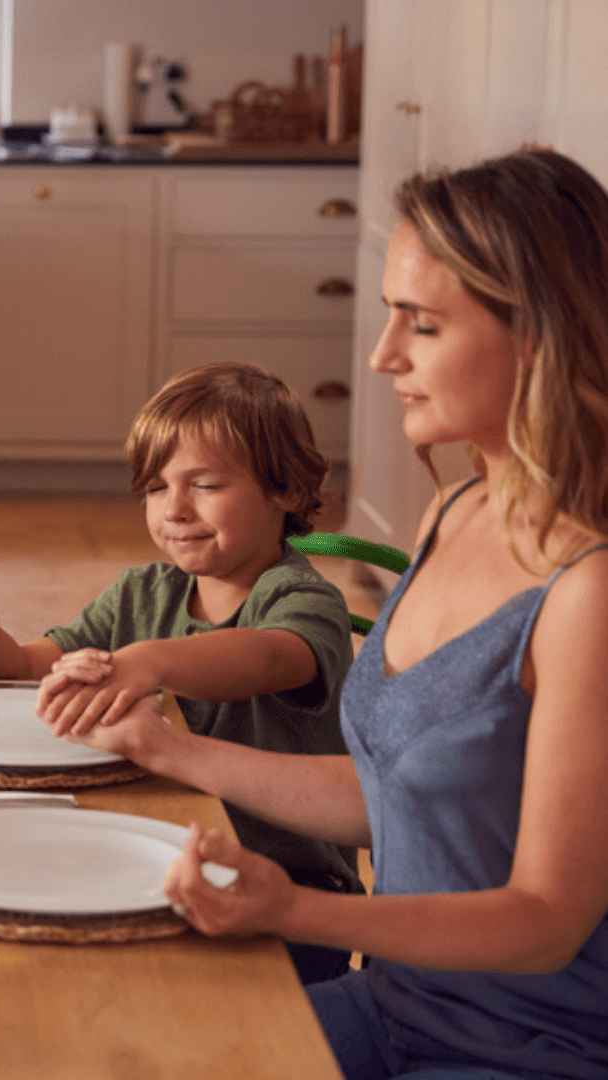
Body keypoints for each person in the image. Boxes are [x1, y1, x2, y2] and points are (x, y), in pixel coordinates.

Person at [67, 150, 608, 1080]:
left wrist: (296, 911)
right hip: (393, 1004)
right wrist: (170, 751)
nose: (382, 354)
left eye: (423, 325)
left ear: (540, 335)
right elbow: (395, 794)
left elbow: (543, 922)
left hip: (532, 1049)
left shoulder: (588, 593)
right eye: (390, 314)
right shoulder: (456, 513)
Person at [0, 362, 362, 983]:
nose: (175, 509)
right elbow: (24, 667)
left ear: (283, 489)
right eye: (155, 487)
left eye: (205, 484)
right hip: (161, 866)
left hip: (285, 900)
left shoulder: (302, 599)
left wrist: (150, 661)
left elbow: (271, 656)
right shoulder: (142, 593)